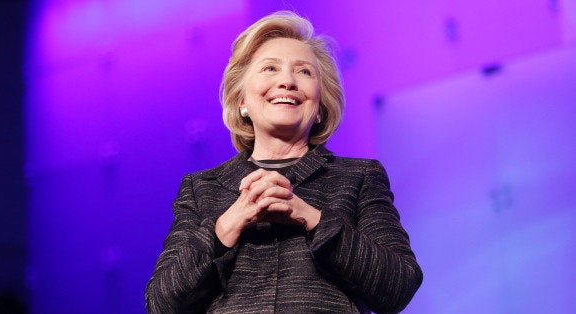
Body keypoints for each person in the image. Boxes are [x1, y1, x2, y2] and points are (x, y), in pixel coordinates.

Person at [145, 11, 422, 313]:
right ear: (242, 102)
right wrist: (230, 222)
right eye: (270, 68)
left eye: (304, 72)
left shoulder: (359, 177)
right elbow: (162, 303)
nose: (287, 81)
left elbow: (399, 286)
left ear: (320, 106)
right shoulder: (201, 188)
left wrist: (309, 217)